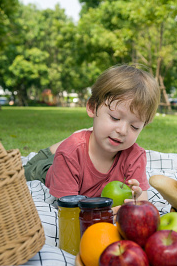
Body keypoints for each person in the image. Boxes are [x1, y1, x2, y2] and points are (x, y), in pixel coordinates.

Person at [24, 64, 160, 205]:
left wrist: (136, 202)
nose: (123, 131)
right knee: (22, 172)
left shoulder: (135, 157)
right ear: (92, 107)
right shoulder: (69, 155)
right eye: (114, 118)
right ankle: (54, 149)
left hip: (76, 151)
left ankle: (85, 135)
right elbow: (70, 209)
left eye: (134, 126)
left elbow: (142, 205)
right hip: (46, 170)